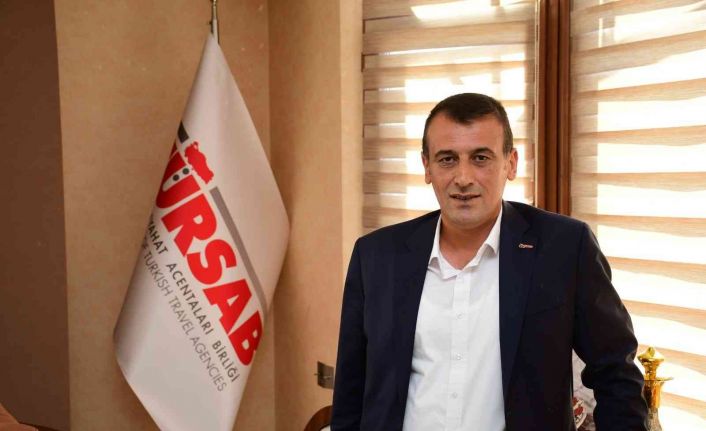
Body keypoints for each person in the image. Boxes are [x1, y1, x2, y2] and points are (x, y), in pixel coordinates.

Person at [331, 93, 647, 430]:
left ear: (511, 163)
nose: (463, 177)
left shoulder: (564, 248)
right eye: (447, 159)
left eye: (480, 158)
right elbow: (352, 390)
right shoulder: (376, 256)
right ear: (426, 167)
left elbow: (615, 372)